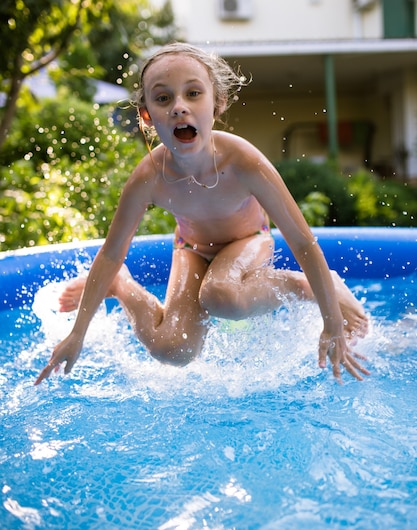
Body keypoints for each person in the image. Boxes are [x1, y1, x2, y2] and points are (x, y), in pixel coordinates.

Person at [35, 42, 369, 385]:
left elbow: (303, 242)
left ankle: (305, 286)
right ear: (147, 115)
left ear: (217, 104)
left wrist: (331, 323)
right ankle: (122, 284)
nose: (180, 107)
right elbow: (109, 253)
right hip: (192, 248)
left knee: (220, 294)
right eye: (163, 98)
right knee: (173, 349)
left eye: (193, 93)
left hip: (247, 241)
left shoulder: (243, 161)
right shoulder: (148, 177)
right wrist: (78, 334)